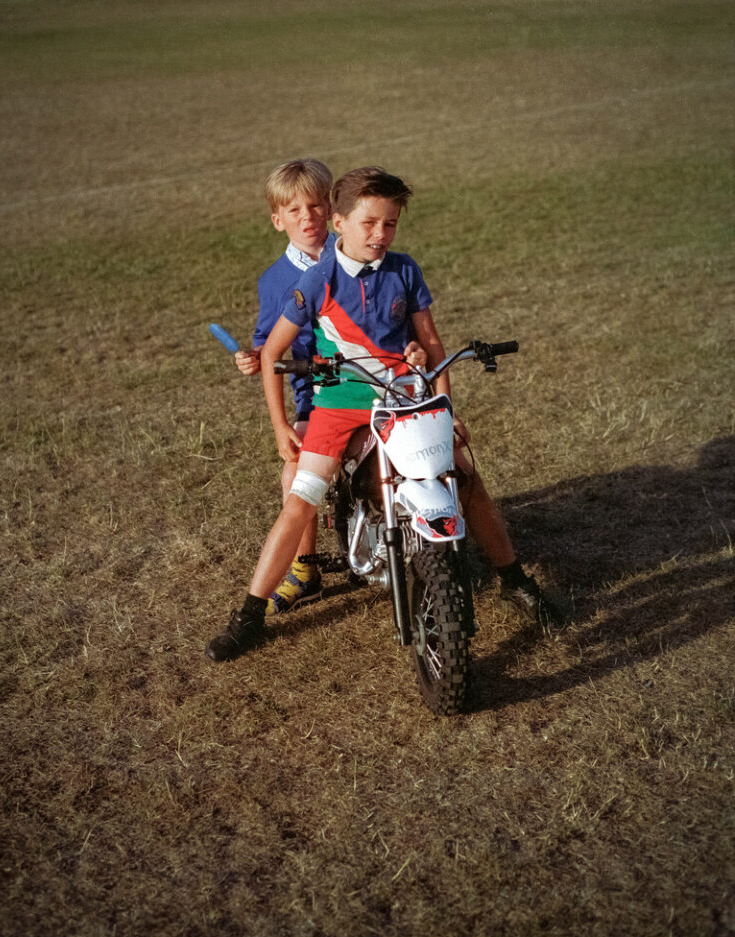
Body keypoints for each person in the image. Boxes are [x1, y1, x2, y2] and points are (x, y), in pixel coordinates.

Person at [208, 166, 560, 662]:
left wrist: (444, 404)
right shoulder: (317, 278)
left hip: (403, 397)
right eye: (369, 223)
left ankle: (514, 580)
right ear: (340, 224)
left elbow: (432, 342)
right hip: (335, 405)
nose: (380, 235)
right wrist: (280, 425)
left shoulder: (405, 269)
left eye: (390, 224)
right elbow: (272, 354)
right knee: (301, 499)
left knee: (465, 478)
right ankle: (248, 616)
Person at [235, 158, 426, 616]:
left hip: (375, 383)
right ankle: (305, 570)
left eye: (317, 206)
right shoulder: (279, 280)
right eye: (296, 210)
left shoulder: (359, 254)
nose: (309, 218)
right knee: (295, 474)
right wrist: (254, 356)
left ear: (333, 212)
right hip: (313, 390)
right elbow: (270, 343)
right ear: (278, 220)